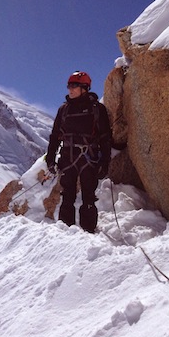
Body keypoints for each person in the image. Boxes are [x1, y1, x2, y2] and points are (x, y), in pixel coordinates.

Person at [45, 71, 112, 233]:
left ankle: (88, 232)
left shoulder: (97, 109)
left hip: (89, 159)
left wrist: (105, 162)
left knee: (88, 197)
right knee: (67, 196)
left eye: (74, 86)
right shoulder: (64, 110)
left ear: (85, 88)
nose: (70, 89)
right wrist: (51, 159)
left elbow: (105, 137)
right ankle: (65, 232)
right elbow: (55, 137)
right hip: (68, 157)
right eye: (69, 86)